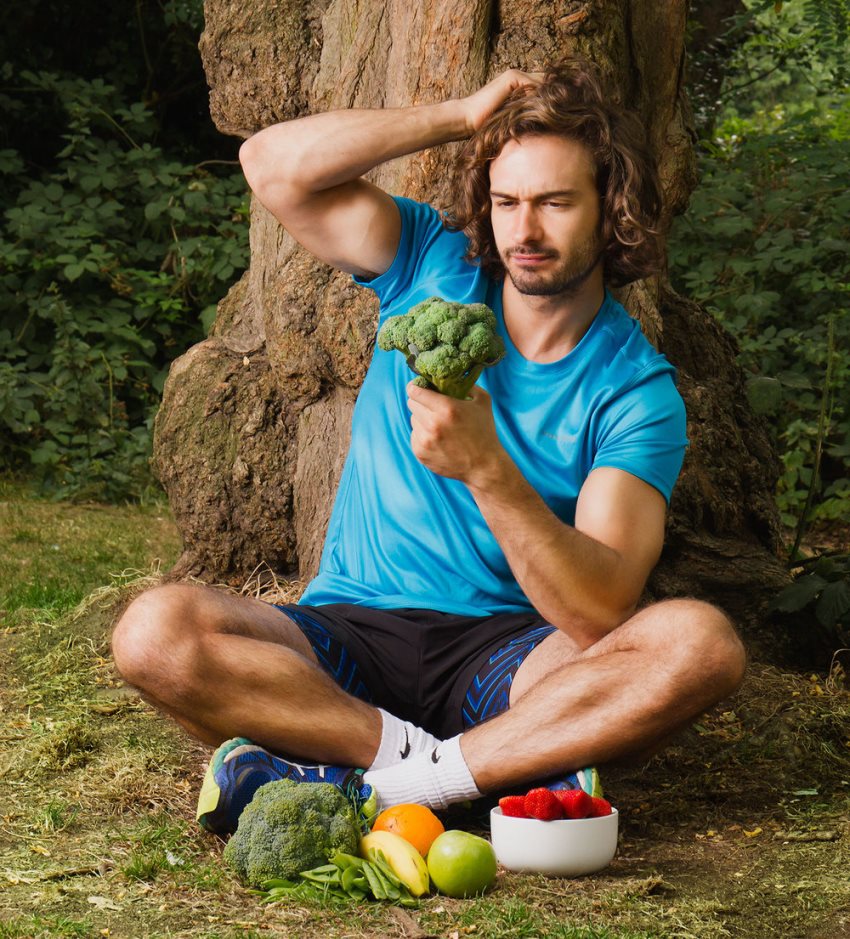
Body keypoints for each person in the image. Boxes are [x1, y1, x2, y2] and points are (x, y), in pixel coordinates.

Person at [111, 59, 747, 835]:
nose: (525, 229)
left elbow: (600, 608)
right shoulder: (430, 260)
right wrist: (458, 116)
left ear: (611, 210)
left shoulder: (635, 393)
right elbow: (269, 165)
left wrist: (488, 470)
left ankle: (374, 777)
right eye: (507, 201)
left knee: (699, 643)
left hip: (509, 659)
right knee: (153, 633)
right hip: (347, 628)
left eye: (554, 202)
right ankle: (455, 767)